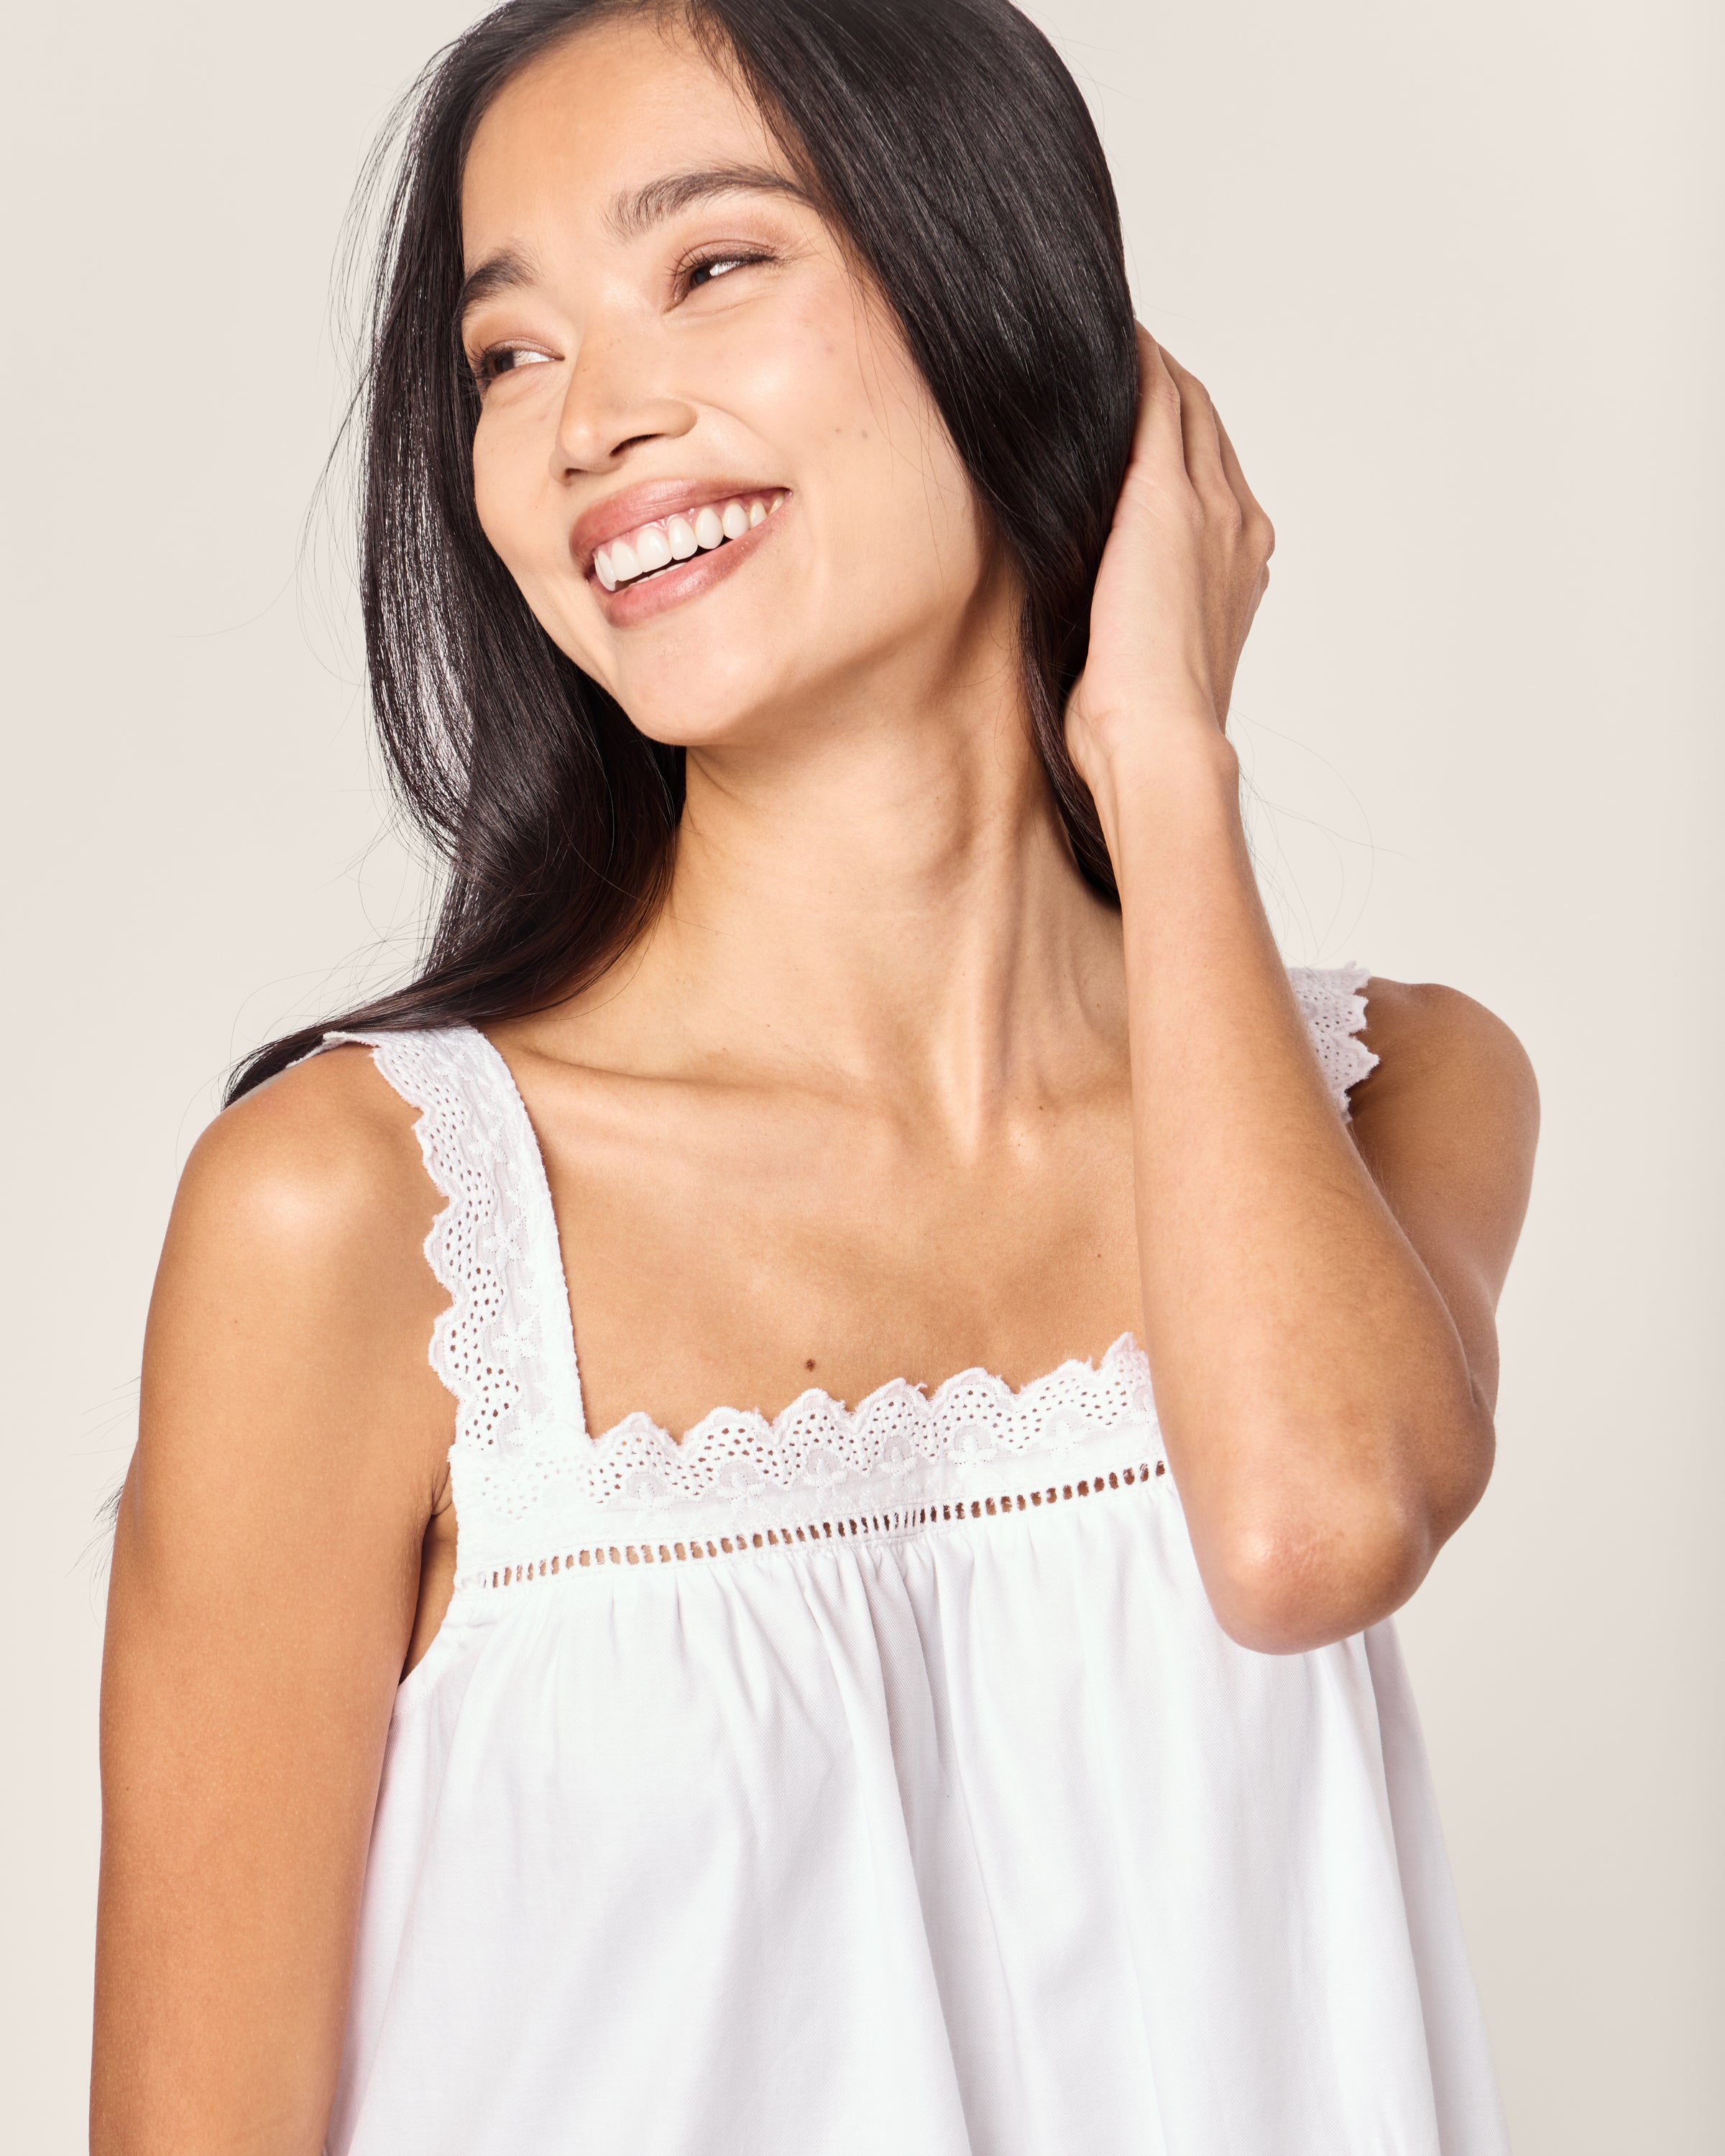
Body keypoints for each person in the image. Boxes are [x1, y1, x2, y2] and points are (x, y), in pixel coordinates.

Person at [91, 1, 1540, 2150]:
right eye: (510, 356)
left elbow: (1310, 1527)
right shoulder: (356, 1217)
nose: (588, 423)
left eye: (709, 266)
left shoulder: (1397, 1084)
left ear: (1001, 300)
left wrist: (1163, 758)